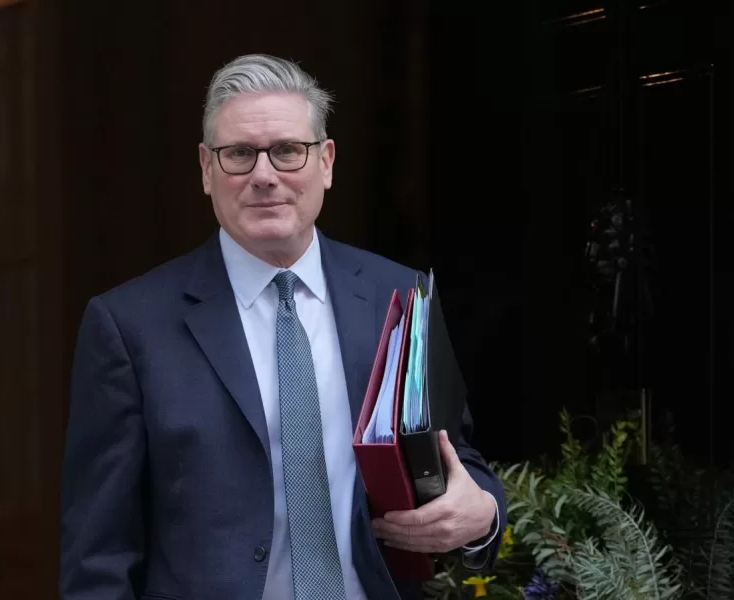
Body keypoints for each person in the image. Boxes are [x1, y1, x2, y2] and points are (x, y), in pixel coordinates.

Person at [59, 53, 506, 600]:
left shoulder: (400, 296)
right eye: (240, 154)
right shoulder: (129, 326)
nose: (265, 176)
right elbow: (98, 556)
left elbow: (460, 458)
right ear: (205, 168)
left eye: (288, 151)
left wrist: (483, 514)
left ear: (326, 162)